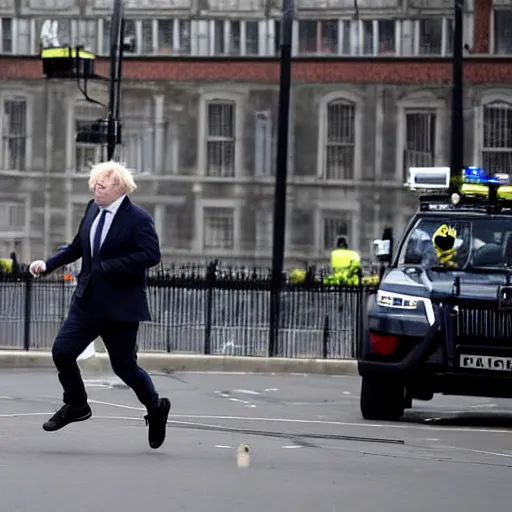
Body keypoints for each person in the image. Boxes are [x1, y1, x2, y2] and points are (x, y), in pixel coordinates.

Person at [29, 160, 171, 450]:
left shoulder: (138, 219)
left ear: (118, 187)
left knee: (124, 367)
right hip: (89, 301)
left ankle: (155, 407)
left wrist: (111, 266)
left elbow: (151, 255)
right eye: (93, 185)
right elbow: (76, 247)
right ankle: (77, 404)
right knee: (62, 352)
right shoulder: (93, 210)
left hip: (120, 307)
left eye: (101, 186)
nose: (95, 190)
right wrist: (47, 263)